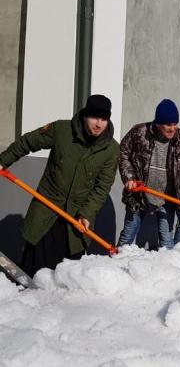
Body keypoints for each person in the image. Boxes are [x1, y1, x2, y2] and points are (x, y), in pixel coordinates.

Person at [0, 95, 120, 277]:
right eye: (95, 118)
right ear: (85, 116)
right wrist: (3, 161)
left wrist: (87, 213)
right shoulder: (62, 130)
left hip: (75, 222)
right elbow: (28, 142)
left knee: (66, 278)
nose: (99, 124)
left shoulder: (110, 149)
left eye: (104, 119)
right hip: (46, 210)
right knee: (35, 272)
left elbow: (102, 187)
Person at [117, 99, 180, 249]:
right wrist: (129, 178)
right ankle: (115, 268)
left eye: (175, 124)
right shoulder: (139, 133)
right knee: (126, 237)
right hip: (139, 196)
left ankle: (165, 271)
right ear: (157, 124)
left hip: (166, 199)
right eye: (168, 125)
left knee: (166, 242)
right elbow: (124, 154)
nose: (172, 128)